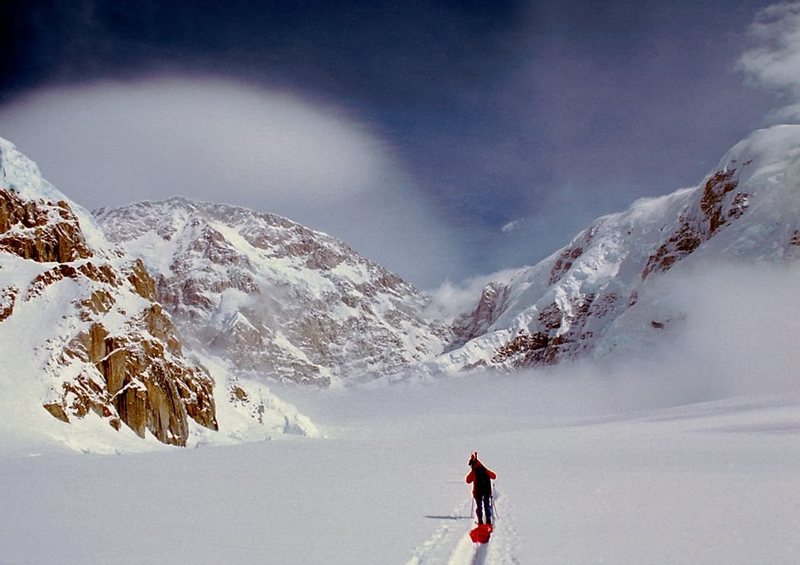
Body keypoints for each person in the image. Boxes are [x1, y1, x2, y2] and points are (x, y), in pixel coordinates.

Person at [465, 451, 496, 526]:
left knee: (479, 507)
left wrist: (472, 472)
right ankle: (488, 521)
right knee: (487, 506)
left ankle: (480, 521)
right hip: (486, 491)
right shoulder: (484, 470)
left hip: (477, 493)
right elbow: (494, 476)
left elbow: (468, 480)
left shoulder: (474, 471)